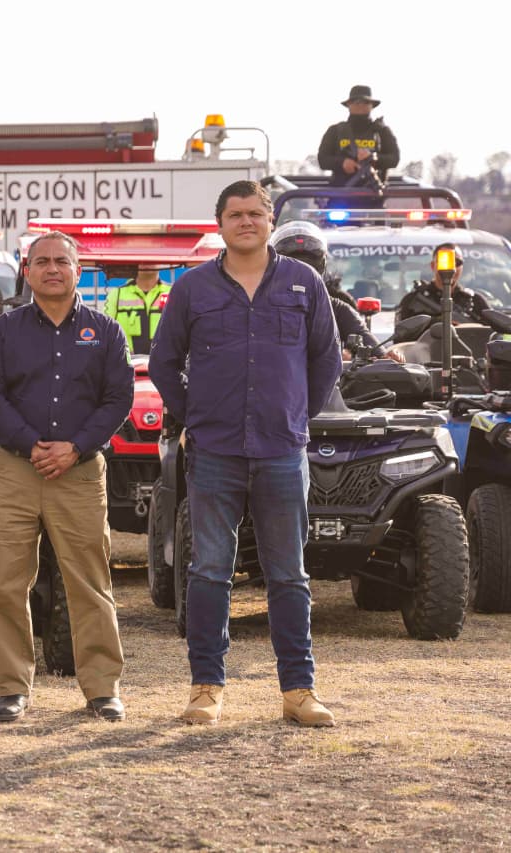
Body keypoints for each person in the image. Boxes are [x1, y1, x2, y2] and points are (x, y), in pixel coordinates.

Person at [149, 180, 342, 727]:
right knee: (209, 571)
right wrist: (195, 416)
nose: (247, 222)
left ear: (269, 220)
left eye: (256, 213)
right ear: (221, 223)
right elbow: (164, 363)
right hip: (214, 451)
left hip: (283, 449)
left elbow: (326, 360)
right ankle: (206, 688)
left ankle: (299, 692)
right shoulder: (192, 288)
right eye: (235, 214)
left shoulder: (304, 283)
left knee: (289, 574)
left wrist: (298, 414)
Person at [0, 230, 134, 723]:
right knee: (8, 584)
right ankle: (13, 688)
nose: (51, 269)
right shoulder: (3, 331)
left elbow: (118, 400)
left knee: (89, 583)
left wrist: (77, 447)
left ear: (77, 270)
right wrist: (31, 444)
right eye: (40, 261)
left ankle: (102, 688)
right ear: (27, 271)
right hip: (14, 470)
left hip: (80, 473)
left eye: (60, 261)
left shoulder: (106, 332)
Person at [271, 220, 400, 361]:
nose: (300, 276)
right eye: (292, 267)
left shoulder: (338, 308)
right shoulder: (261, 306)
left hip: (329, 382)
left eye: (308, 268)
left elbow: (375, 351)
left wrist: (388, 359)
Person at [317, 85, 400, 189]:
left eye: (365, 102)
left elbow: (394, 158)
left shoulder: (382, 131)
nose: (360, 105)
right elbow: (322, 159)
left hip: (374, 196)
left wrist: (373, 158)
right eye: (356, 102)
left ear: (372, 105)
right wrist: (342, 163)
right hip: (340, 194)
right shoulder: (335, 130)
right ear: (348, 104)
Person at [395, 243, 491, 326]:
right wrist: (434, 323)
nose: (452, 267)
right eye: (445, 261)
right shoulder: (412, 301)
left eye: (457, 262)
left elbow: (492, 338)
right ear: (433, 266)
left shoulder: (476, 302)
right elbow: (400, 340)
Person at [102, 264, 172, 356]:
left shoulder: (173, 292)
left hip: (164, 365)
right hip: (126, 365)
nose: (148, 261)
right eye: (144, 256)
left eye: (152, 256)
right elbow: (105, 332)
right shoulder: (117, 294)